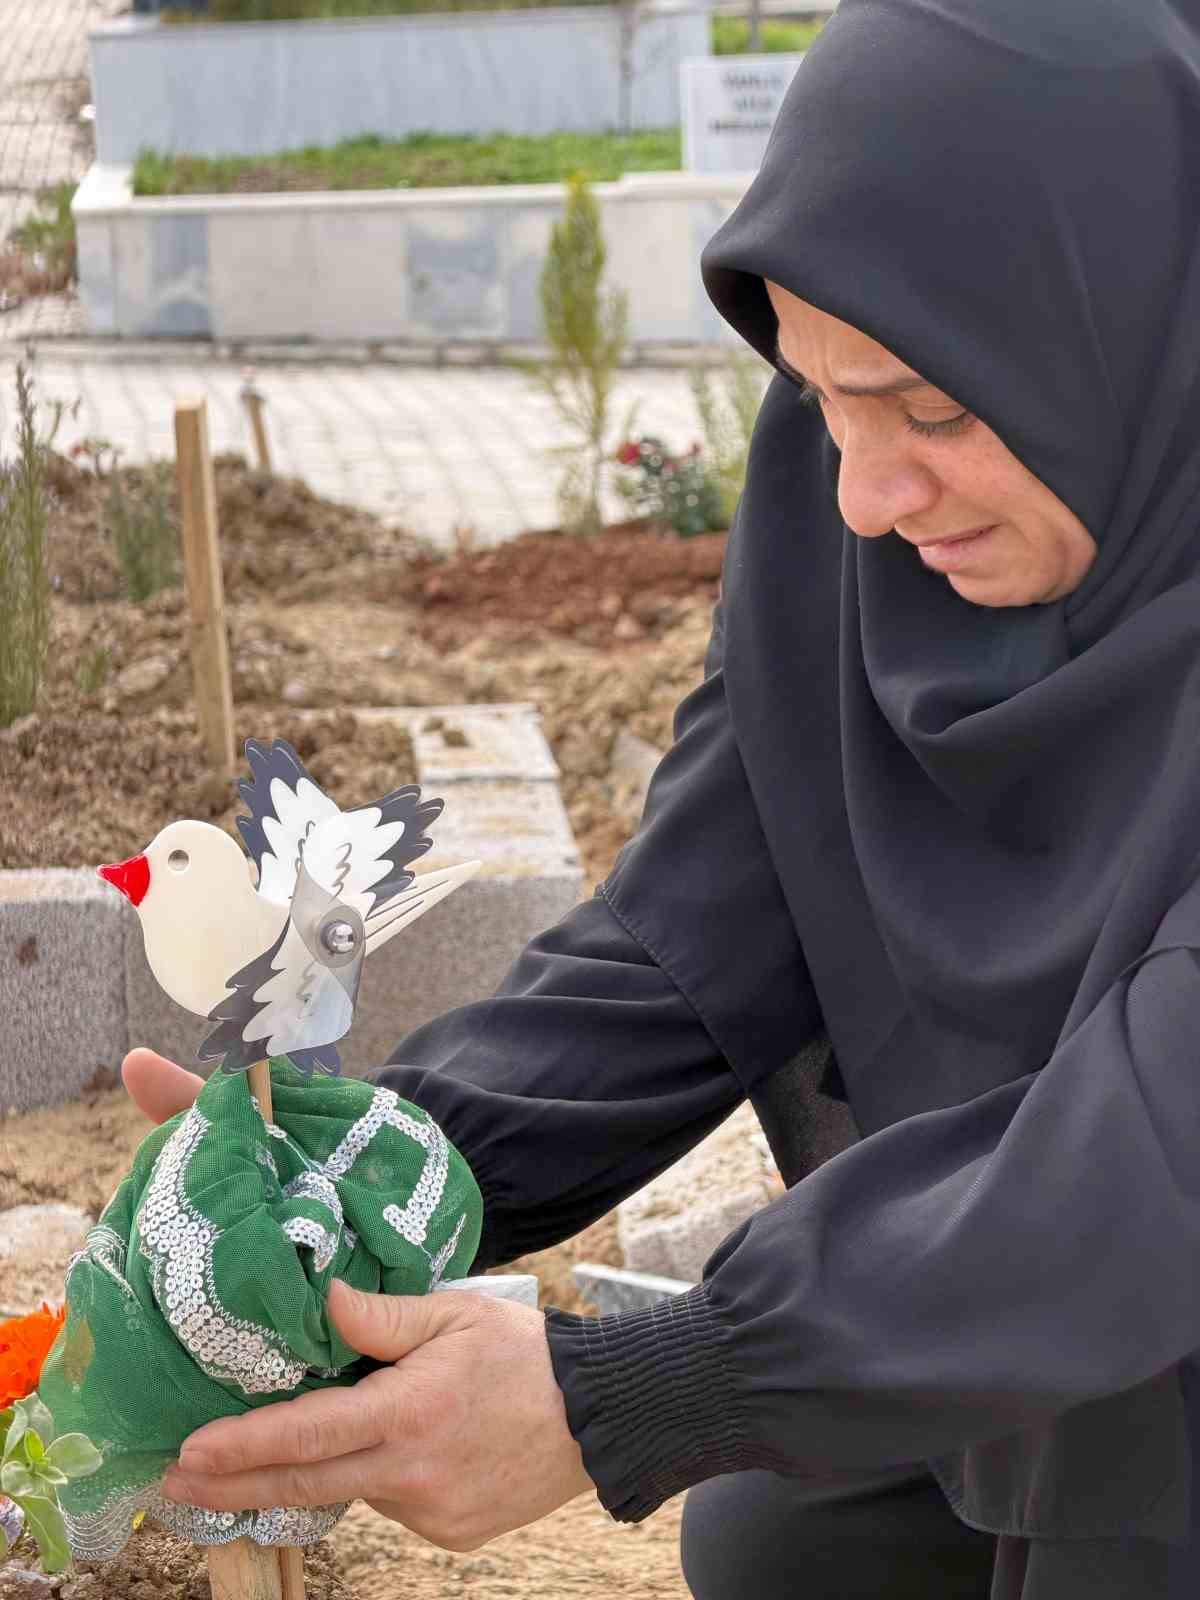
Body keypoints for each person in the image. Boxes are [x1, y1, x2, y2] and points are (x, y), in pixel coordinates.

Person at [122, 0, 1200, 1594]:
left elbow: (1153, 1152)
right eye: (819, 396)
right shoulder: (858, 499)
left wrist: (629, 1396)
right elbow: (701, 919)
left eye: (933, 411)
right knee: (778, 1545)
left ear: (1121, 330)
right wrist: (381, 1172)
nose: (862, 497)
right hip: (1009, 1284)